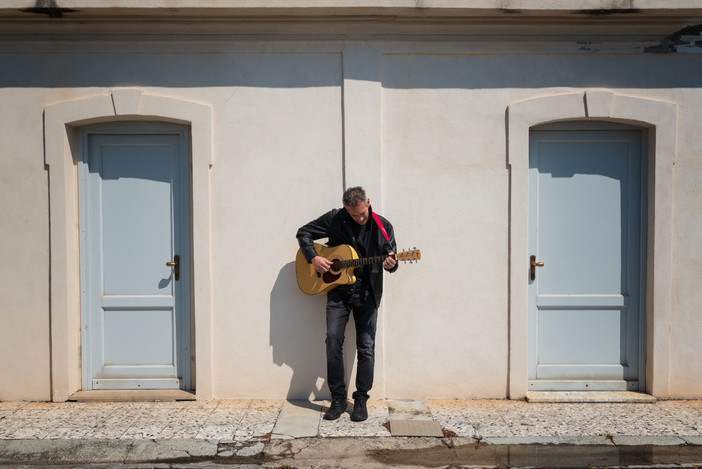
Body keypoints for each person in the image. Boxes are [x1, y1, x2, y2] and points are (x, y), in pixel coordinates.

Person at [296, 186, 398, 422]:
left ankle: (361, 398)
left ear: (368, 202)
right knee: (333, 340)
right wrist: (314, 256)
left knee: (366, 347)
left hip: (367, 293)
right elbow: (303, 233)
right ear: (346, 208)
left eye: (362, 213)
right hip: (338, 292)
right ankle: (338, 399)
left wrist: (391, 264)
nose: (360, 218)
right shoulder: (335, 218)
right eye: (354, 215)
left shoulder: (384, 226)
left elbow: (390, 256)